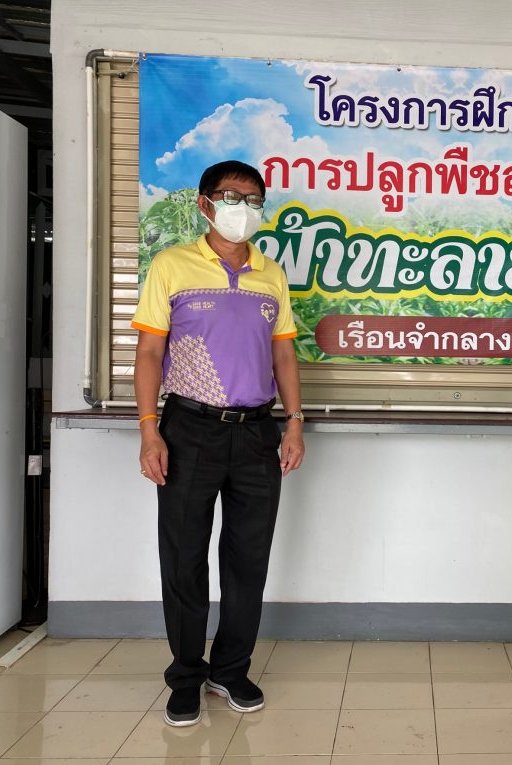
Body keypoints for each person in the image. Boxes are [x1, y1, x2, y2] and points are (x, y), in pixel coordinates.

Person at [132, 160, 305, 727]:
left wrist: (294, 423)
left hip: (258, 432)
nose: (243, 208)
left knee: (247, 558)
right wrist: (149, 430)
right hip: (189, 429)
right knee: (184, 557)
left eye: (253, 200)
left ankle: (231, 670)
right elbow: (149, 353)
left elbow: (284, 353)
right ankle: (186, 676)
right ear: (205, 204)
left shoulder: (270, 273)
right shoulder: (172, 265)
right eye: (232, 197)